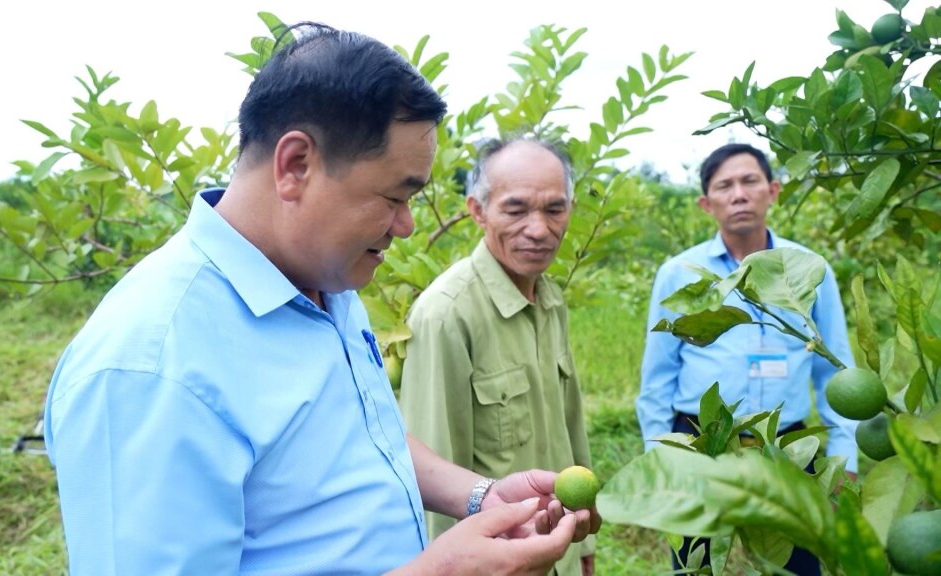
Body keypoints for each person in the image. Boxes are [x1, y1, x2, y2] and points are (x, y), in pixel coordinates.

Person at [43, 23, 599, 576]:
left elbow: (365, 437)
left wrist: (480, 496)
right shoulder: (152, 365)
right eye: (393, 196)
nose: (405, 225)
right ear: (295, 166)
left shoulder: (326, 284)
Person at [635, 143, 856, 575]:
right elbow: (658, 375)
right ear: (706, 203)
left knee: (800, 562)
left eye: (750, 181)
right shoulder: (680, 273)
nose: (739, 194)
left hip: (788, 444)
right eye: (725, 185)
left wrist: (844, 453)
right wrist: (658, 455)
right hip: (700, 440)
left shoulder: (808, 269)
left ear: (772, 190)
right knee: (693, 563)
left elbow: (835, 368)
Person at [399, 138, 596, 576]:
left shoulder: (550, 300)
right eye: (516, 209)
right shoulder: (446, 315)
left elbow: (570, 431)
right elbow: (432, 470)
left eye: (554, 209)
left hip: (556, 550)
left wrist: (585, 545)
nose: (539, 229)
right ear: (477, 210)